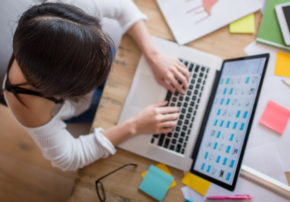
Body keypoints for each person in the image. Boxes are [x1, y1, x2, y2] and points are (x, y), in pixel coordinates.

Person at [2, 0, 189, 171]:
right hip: (77, 108)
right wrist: (135, 126)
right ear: (69, 88)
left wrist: (153, 55)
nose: (108, 62)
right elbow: (69, 158)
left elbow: (123, 6)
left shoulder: (68, 13)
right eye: (97, 67)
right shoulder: (28, 105)